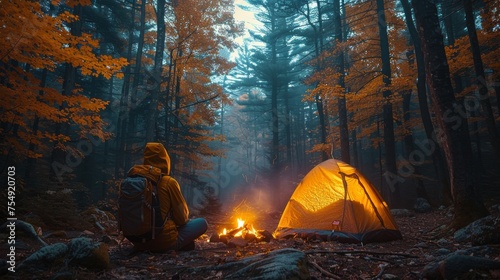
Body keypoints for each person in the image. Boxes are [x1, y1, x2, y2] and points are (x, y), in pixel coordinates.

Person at [131, 142, 208, 252]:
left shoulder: (135, 182)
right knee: (202, 223)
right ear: (165, 160)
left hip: (137, 242)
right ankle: (173, 245)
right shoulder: (168, 182)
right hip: (163, 243)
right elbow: (182, 219)